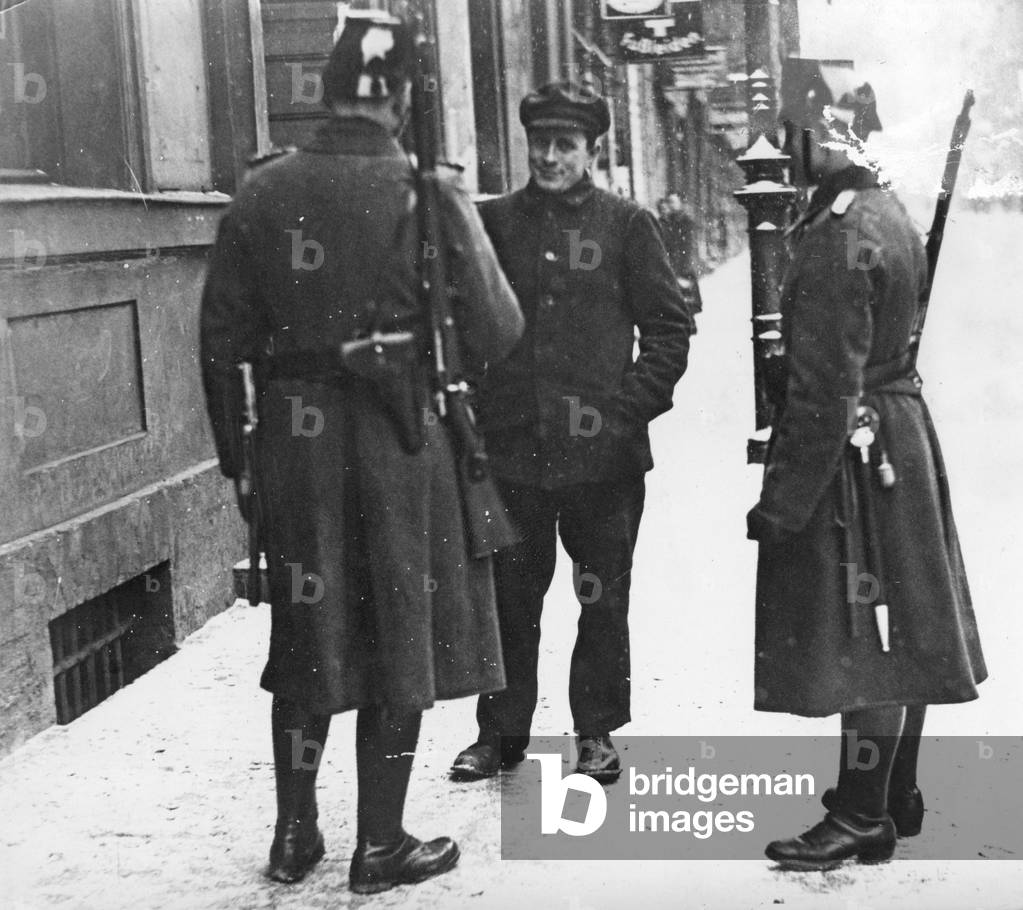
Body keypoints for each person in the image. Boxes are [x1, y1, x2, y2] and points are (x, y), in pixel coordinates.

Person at [199, 11, 523, 894]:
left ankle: (293, 834)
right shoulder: (430, 194)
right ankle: (379, 844)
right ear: (405, 97)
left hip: (294, 449)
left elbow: (221, 344)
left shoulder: (261, 192)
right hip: (399, 440)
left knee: (308, 634)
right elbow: (499, 328)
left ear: (329, 88)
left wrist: (240, 465)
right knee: (400, 633)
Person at [747, 60, 987, 870]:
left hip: (857, 447)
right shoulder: (884, 209)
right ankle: (893, 795)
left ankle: (857, 813)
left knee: (866, 634)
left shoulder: (838, 231)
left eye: (799, 132)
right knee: (902, 620)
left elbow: (824, 389)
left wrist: (781, 504)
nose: (793, 145)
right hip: (898, 430)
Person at [450, 82, 693, 782]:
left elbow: (669, 332)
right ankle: (498, 735)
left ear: (592, 150)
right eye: (540, 143)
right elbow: (462, 326)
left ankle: (595, 733)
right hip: (513, 453)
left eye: (565, 145)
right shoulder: (493, 222)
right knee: (509, 599)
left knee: (601, 598)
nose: (550, 156)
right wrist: (478, 413)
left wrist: (622, 416)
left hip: (602, 460)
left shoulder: (627, 225)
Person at [659, 192, 704, 331]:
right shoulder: (668, 221)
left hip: (683, 268)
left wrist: (683, 269)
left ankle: (687, 325)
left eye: (674, 202)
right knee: (675, 302)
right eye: (669, 202)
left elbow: (688, 247)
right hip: (671, 267)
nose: (671, 205)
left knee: (686, 301)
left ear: (680, 203)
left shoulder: (685, 222)